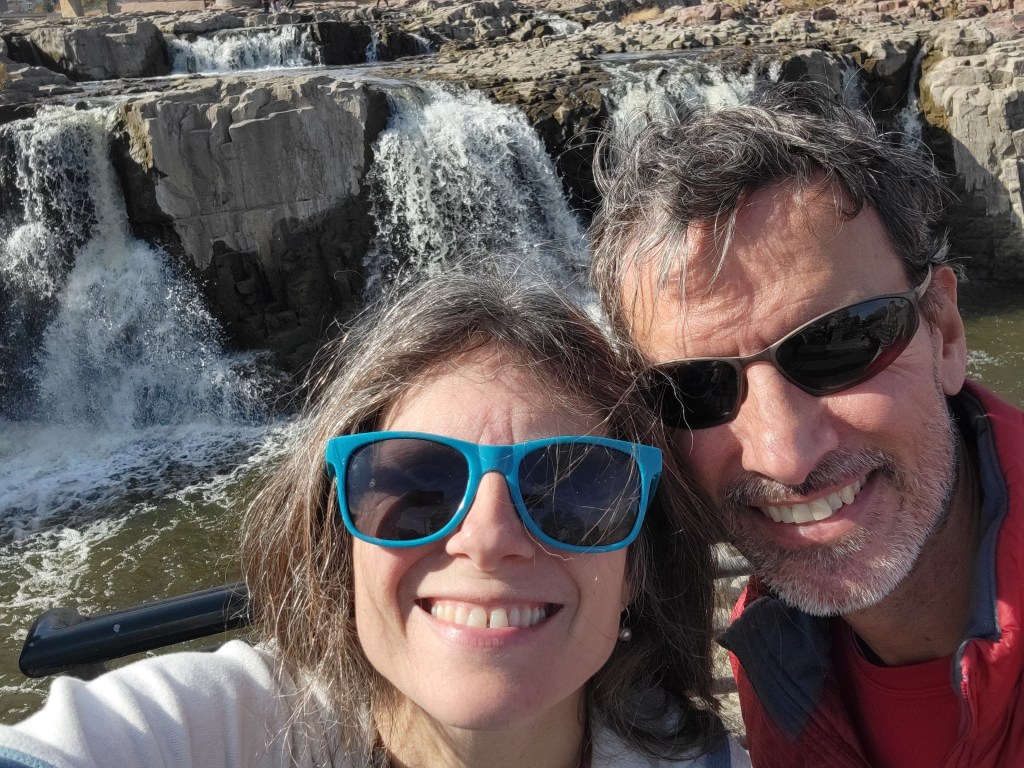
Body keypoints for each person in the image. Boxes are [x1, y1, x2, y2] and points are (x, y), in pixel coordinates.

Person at [0, 269, 749, 768]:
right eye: (421, 487)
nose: (489, 538)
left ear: (636, 565)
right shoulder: (212, 729)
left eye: (572, 490)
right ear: (340, 540)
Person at [590, 78, 1024, 768]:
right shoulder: (772, 652)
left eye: (837, 346)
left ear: (943, 333)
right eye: (695, 389)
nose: (783, 453)